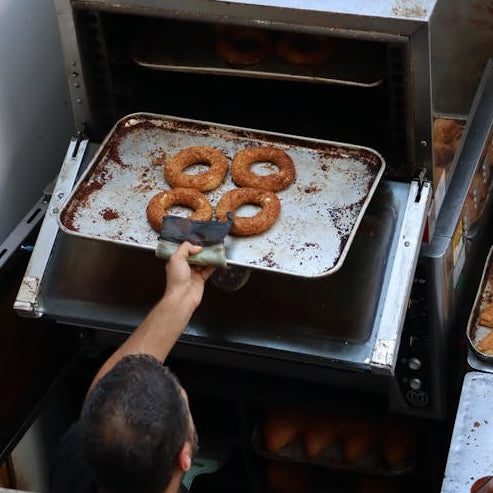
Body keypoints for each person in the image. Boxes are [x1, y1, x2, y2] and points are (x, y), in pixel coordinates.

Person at [50, 242, 216, 493]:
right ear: (185, 458)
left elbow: (105, 396)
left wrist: (182, 297)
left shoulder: (74, 468)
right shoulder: (81, 452)